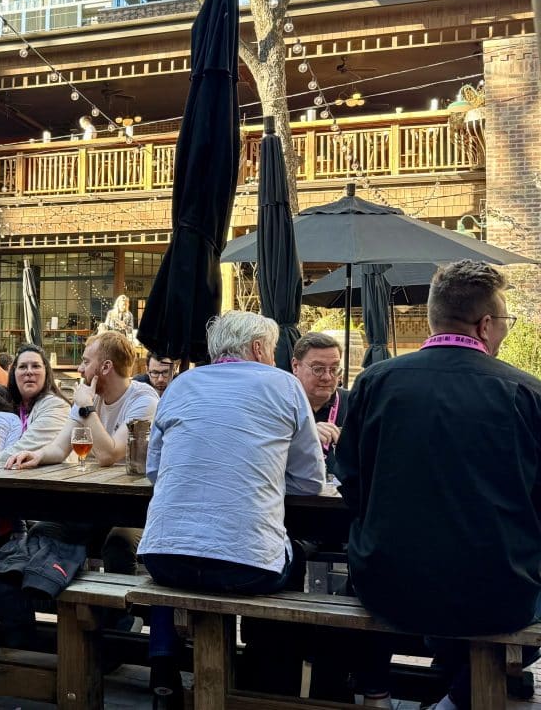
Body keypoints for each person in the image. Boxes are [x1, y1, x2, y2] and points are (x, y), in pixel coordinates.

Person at [337, 260, 541, 710]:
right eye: (505, 321)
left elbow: (349, 479)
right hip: (497, 594)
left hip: (386, 585)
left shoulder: (374, 382)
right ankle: (454, 699)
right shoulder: (526, 392)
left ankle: (377, 693)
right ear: (486, 325)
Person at [138, 311, 325, 704]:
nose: (273, 357)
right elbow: (311, 481)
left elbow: (154, 472)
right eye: (272, 349)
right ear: (258, 348)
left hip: (162, 561)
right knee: (291, 555)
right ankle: (269, 684)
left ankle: (164, 669)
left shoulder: (180, 384)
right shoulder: (285, 385)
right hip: (247, 570)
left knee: (186, 544)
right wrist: (266, 478)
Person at [7, 332, 158, 575]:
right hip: (96, 502)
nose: (80, 368)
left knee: (118, 545)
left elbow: (109, 455)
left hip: (137, 508)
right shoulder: (88, 396)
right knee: (41, 531)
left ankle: (122, 613)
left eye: (87, 362)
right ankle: (63, 605)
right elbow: (59, 447)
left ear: (106, 366)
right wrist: (36, 456)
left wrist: (87, 408)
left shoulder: (143, 400)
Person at [0, 343, 69, 465]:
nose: (29, 372)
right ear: (14, 373)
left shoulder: (56, 406)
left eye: (36, 366)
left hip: (48, 480)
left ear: (46, 372)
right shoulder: (9, 406)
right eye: (22, 367)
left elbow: (19, 452)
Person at [291, 332, 348, 479]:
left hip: (340, 498)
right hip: (291, 497)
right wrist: (305, 437)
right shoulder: (279, 404)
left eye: (334, 369)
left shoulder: (355, 403)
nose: (327, 377)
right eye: (318, 369)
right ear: (296, 366)